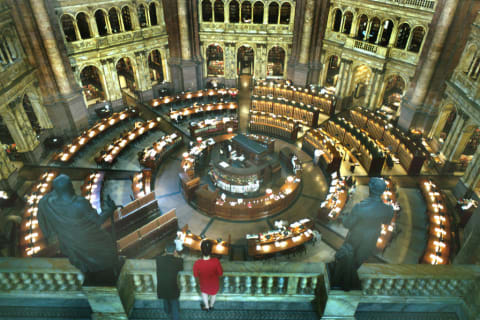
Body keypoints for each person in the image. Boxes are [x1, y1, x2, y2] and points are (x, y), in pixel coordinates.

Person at [37, 174, 118, 284]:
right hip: (90, 240)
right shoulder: (80, 203)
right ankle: (108, 271)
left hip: (71, 243)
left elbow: (43, 202)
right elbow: (97, 221)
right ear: (70, 186)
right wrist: (110, 210)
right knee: (107, 243)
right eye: (70, 184)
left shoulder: (49, 204)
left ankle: (92, 270)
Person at [329, 177, 394, 290]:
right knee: (358, 262)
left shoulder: (360, 207)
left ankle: (340, 282)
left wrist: (345, 217)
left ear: (370, 189)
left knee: (346, 260)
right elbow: (386, 222)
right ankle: (348, 282)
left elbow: (347, 224)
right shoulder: (388, 209)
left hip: (356, 238)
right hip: (372, 238)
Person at [193, 240, 223, 311]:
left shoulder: (197, 263)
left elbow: (195, 275)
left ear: (201, 250)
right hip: (214, 284)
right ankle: (211, 306)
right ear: (211, 250)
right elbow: (220, 273)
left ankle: (206, 307)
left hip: (204, 283)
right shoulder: (216, 261)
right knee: (213, 295)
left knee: (204, 293)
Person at [156, 243, 183, 320]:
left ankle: (167, 311)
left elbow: (163, 257)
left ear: (165, 250)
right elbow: (181, 268)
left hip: (162, 286)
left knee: (165, 299)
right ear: (175, 251)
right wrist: (177, 255)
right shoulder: (179, 261)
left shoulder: (159, 259)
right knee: (174, 303)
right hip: (172, 286)